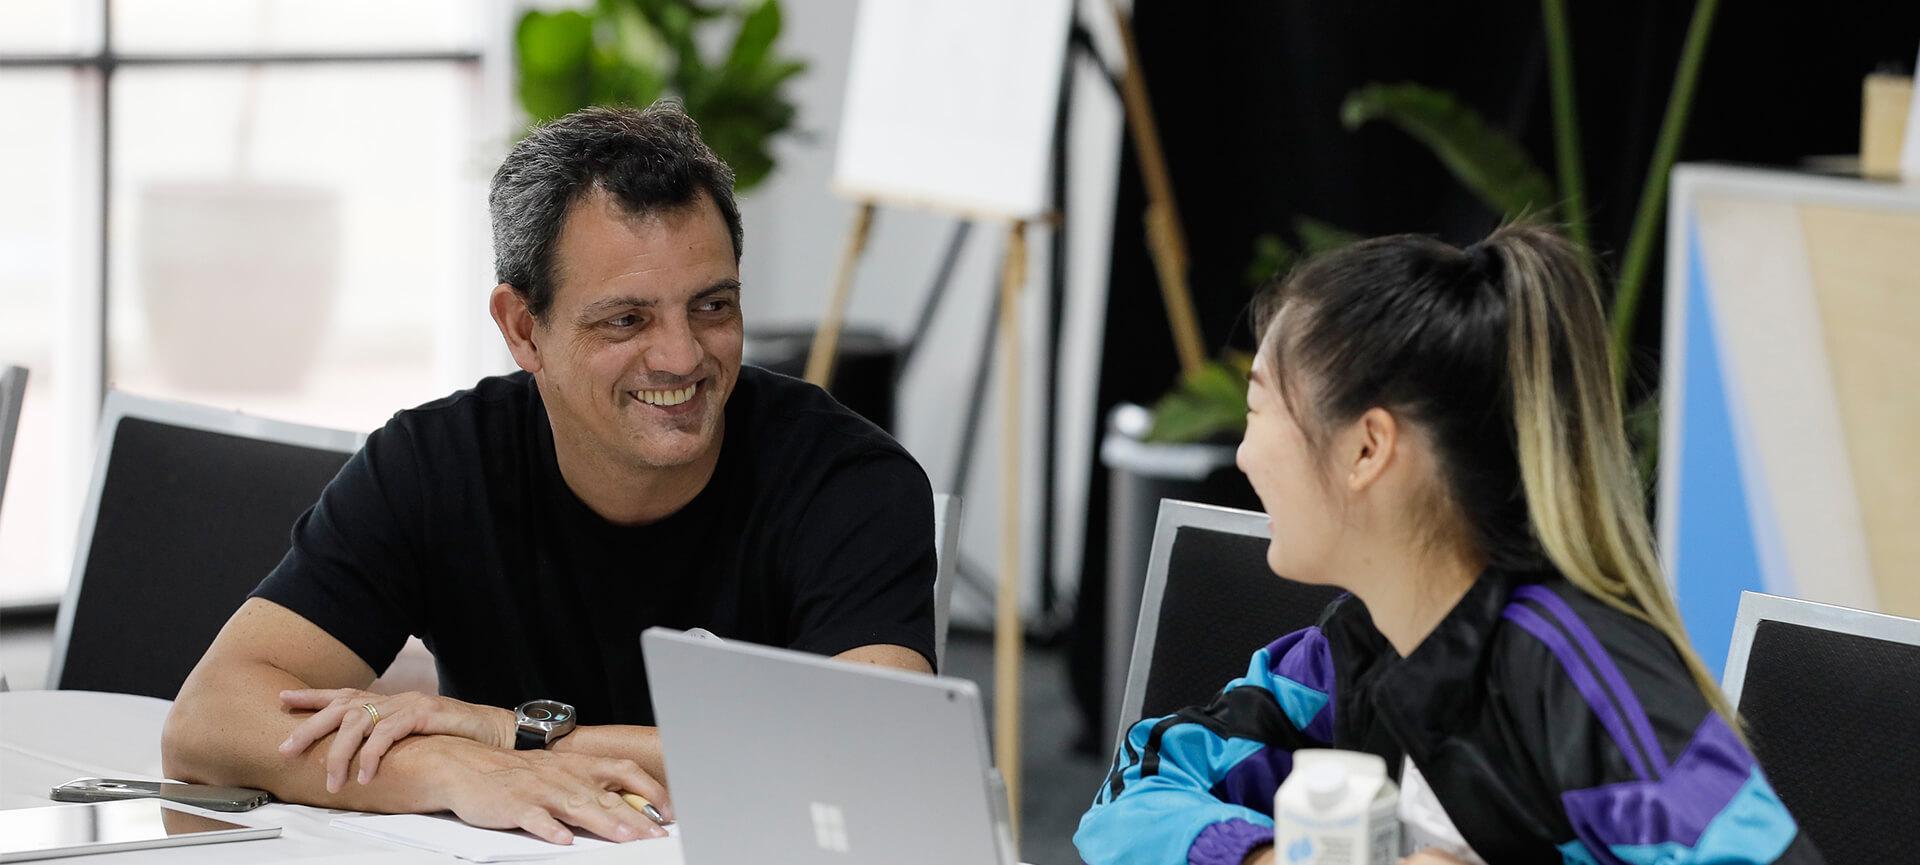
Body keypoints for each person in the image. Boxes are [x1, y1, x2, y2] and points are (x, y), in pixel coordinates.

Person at [162, 102, 937, 846]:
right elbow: (210, 720)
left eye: (712, 306)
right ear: (524, 328)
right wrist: (445, 763)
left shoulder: (848, 480)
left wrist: (511, 733)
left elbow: (878, 755)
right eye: (626, 320)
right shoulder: (436, 462)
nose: (682, 356)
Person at [1075, 225, 1822, 865]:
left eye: (1257, 408)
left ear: (1367, 448)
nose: (1241, 455)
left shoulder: (1577, 672)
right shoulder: (1351, 651)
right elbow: (1132, 790)